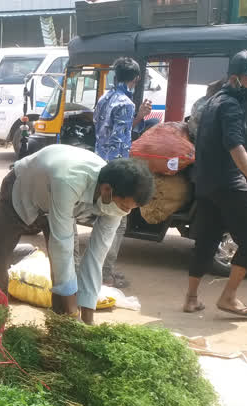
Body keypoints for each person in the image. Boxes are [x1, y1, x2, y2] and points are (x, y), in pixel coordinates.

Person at [0, 144, 154, 324]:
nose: (125, 212)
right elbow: (62, 246)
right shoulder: (69, 180)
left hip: (58, 206)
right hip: (21, 193)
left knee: (69, 269)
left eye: (130, 209)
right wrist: (74, 313)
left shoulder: (118, 201)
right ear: (106, 190)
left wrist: (88, 321)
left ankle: (60, 328)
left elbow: (97, 256)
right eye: (124, 206)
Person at [183, 50, 247, 317]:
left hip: (206, 184)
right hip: (229, 184)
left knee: (207, 240)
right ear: (234, 78)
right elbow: (234, 145)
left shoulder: (214, 101)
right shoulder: (231, 106)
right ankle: (228, 297)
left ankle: (191, 299)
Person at [94, 57, 153, 289]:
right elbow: (120, 141)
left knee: (104, 221)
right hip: (115, 173)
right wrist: (140, 115)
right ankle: (105, 274)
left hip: (98, 164)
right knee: (117, 224)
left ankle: (100, 270)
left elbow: (105, 132)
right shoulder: (125, 104)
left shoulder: (103, 98)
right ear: (136, 79)